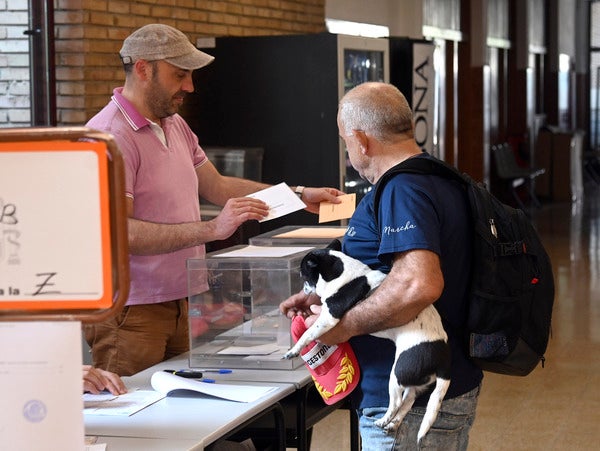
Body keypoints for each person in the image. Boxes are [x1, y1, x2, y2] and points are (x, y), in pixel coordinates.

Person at [85, 23, 343, 377]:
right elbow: (121, 234)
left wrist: (297, 195)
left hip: (183, 301)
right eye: (179, 76)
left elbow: (219, 186)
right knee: (134, 421)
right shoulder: (109, 136)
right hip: (133, 313)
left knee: (181, 415)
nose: (189, 87)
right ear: (143, 69)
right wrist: (212, 228)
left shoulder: (174, 125)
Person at [280, 82, 483, 450]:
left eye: (345, 141)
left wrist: (344, 326)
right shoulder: (437, 177)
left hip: (408, 407)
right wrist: (325, 296)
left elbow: (418, 284)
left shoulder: (402, 189)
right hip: (437, 385)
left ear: (361, 140)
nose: (348, 150)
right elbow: (380, 274)